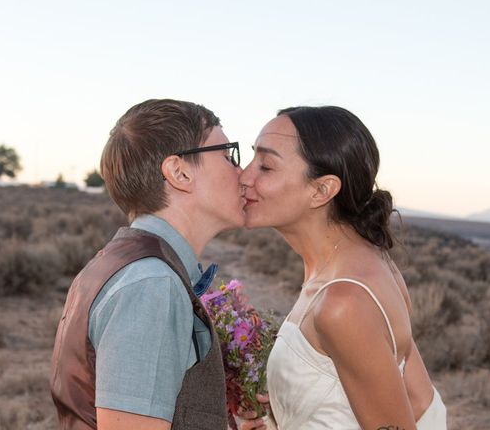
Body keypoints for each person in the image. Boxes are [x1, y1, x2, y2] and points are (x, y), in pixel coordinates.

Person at [238, 106, 447, 430]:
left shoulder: (343, 301)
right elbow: (418, 399)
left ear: (322, 190)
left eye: (265, 166)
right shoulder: (363, 265)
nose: (244, 176)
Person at [50, 99, 247, 430]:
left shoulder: (127, 264)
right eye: (228, 157)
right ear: (179, 172)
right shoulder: (152, 284)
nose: (243, 172)